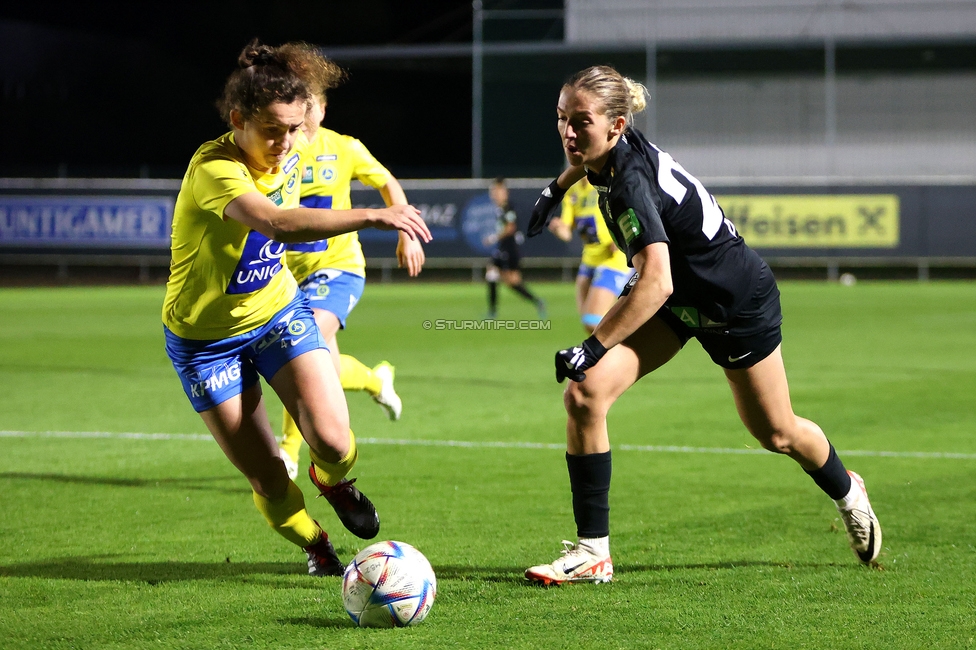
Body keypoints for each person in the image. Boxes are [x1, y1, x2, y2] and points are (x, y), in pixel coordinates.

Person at [522, 65, 882, 585]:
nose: (569, 133)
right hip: (676, 296)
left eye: (581, 122)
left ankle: (849, 490)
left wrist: (594, 345)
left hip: (730, 303)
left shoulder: (629, 183)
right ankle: (592, 552)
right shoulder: (610, 151)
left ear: (617, 126)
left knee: (777, 432)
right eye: (562, 119)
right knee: (585, 395)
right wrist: (555, 189)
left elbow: (657, 281)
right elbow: (590, 160)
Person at [161, 40, 430, 577]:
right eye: (272, 130)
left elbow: (348, 160)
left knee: (333, 441)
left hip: (277, 313)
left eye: (294, 128)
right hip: (204, 343)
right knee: (268, 477)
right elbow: (276, 223)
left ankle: (333, 482)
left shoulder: (298, 142)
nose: (286, 142)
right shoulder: (214, 168)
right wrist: (376, 218)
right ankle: (317, 544)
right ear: (238, 120)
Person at [277, 63, 426, 480]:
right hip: (290, 275)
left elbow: (387, 182)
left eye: (311, 105)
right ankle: (377, 380)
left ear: (322, 109)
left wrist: (406, 232)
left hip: (338, 268)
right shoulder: (278, 150)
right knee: (322, 364)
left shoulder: (344, 148)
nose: (304, 115)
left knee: (301, 345)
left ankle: (287, 450)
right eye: (298, 106)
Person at [547, 176, 634, 333]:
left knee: (593, 321)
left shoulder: (606, 183)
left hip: (613, 259)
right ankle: (606, 353)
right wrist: (556, 227)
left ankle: (627, 352)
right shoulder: (573, 193)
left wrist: (621, 237)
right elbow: (566, 233)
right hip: (589, 261)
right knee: (590, 325)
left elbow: (628, 208)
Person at [483, 177, 546, 319]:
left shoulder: (508, 207)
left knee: (512, 282)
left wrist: (492, 238)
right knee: (493, 272)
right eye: (492, 192)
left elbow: (511, 228)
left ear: (504, 192)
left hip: (509, 249)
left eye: (496, 191)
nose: (494, 194)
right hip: (504, 248)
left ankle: (537, 301)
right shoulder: (500, 209)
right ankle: (493, 311)